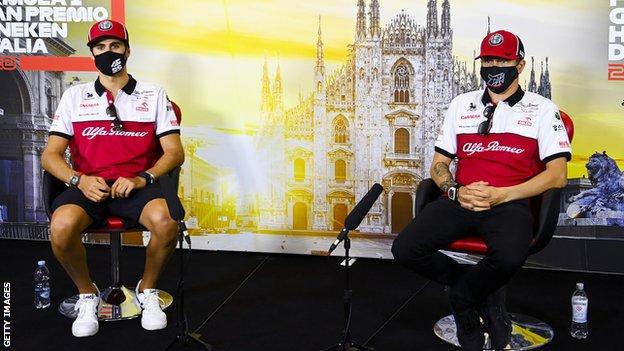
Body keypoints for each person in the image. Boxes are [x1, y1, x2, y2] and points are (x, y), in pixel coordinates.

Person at [391, 30, 571, 350]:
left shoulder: (542, 109)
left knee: (509, 257)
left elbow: (557, 176)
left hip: (509, 202)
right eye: (487, 60)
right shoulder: (462, 105)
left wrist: (504, 194)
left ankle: (463, 298)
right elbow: (438, 165)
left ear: (519, 64)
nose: (493, 66)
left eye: (502, 60)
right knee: (405, 249)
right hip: (462, 198)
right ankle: (477, 291)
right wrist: (454, 191)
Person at [41, 19, 184, 337]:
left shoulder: (154, 94)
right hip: (88, 187)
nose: (108, 52)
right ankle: (86, 295)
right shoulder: (73, 96)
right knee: (61, 227)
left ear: (128, 50)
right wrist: (79, 180)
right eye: (100, 47)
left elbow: (174, 153)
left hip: (136, 186)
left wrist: (142, 178)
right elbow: (50, 156)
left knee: (165, 223)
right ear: (92, 53)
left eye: (115, 46)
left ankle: (147, 290)